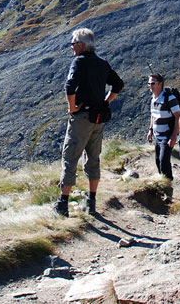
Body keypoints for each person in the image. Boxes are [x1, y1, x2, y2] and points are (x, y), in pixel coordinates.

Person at [54, 27, 124, 217]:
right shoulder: (102, 63)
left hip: (82, 118)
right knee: (93, 159)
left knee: (70, 158)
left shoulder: (79, 61)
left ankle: (62, 204)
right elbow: (118, 84)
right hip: (98, 118)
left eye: (73, 43)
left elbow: (70, 86)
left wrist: (71, 108)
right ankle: (91, 201)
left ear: (82, 45)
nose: (71, 47)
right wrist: (105, 102)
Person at [145, 73, 180, 180]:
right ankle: (164, 184)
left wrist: (174, 136)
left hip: (167, 136)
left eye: (152, 83)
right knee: (158, 161)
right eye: (149, 84)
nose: (150, 86)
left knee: (163, 162)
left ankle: (168, 187)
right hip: (157, 136)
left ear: (160, 84)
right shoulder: (153, 98)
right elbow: (153, 115)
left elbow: (178, 117)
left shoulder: (169, 98)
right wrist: (150, 130)